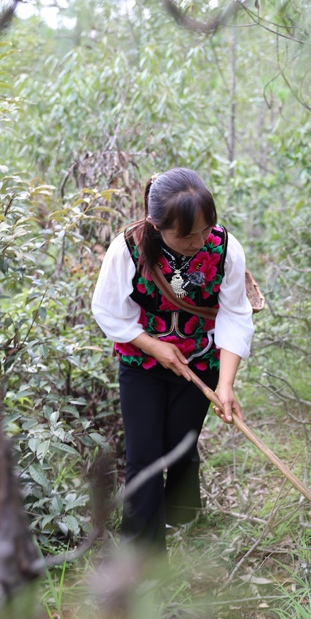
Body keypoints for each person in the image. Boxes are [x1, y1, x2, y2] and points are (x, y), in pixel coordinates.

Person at [91, 168, 254, 550]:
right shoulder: (128, 248)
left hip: (200, 361)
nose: (199, 241)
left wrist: (226, 385)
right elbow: (108, 310)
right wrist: (153, 345)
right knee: (145, 456)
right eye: (187, 234)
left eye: (204, 229)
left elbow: (235, 314)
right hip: (142, 364)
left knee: (181, 442)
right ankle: (143, 557)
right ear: (156, 225)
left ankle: (182, 513)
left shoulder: (225, 248)